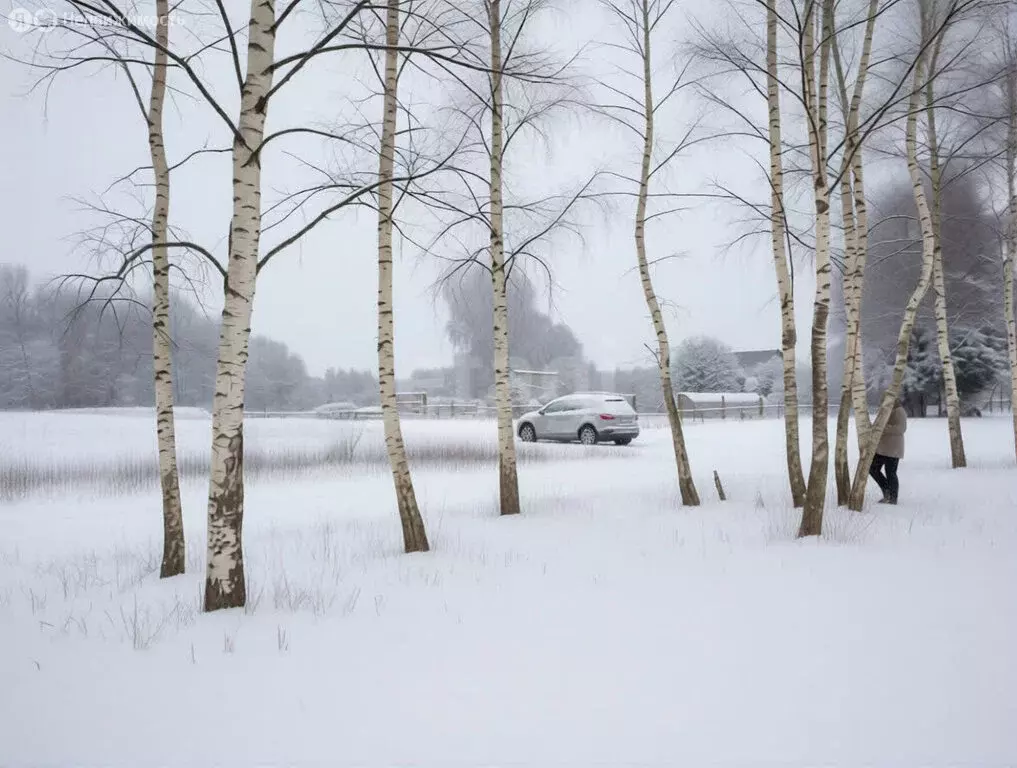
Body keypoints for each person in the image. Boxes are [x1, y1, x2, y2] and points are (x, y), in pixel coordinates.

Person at [869, 399, 907, 504]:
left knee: (891, 472)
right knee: (872, 469)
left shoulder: (899, 410)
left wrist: (883, 428)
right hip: (882, 447)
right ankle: (887, 491)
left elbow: (901, 428)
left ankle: (893, 498)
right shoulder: (885, 410)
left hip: (893, 447)